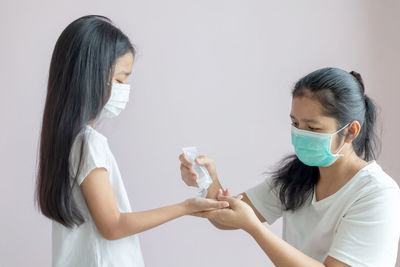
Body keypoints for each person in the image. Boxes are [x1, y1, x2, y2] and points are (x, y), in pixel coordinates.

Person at [35, 15, 229, 267]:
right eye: (119, 80)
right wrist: (186, 207)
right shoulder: (88, 143)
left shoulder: (66, 140)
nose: (124, 89)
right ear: (90, 76)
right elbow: (112, 225)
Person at [179, 67, 400, 267]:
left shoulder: (377, 194)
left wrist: (255, 229)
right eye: (295, 124)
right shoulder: (297, 175)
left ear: (351, 131)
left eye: (313, 128)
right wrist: (209, 179)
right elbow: (226, 218)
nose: (301, 135)